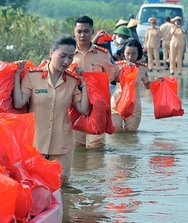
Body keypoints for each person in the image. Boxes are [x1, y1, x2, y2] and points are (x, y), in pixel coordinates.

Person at [12, 34, 91, 183]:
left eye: (70, 57)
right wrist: (17, 75)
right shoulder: (33, 77)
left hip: (62, 147)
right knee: (35, 188)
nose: (67, 61)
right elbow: (18, 103)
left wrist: (85, 82)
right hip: (35, 145)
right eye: (62, 56)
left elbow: (83, 109)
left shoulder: (73, 81)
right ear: (51, 53)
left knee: (62, 190)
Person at [71, 15, 120, 149]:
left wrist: (133, 73)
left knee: (96, 146)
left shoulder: (102, 54)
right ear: (74, 32)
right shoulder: (67, 54)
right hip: (74, 106)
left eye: (86, 31)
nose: (82, 35)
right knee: (76, 146)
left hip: (96, 107)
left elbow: (117, 75)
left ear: (92, 32)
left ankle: (96, 170)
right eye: (79, 31)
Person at [111, 39, 151, 132]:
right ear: (123, 53)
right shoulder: (117, 66)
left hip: (134, 106)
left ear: (138, 54)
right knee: (115, 130)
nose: (130, 56)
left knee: (131, 132)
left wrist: (159, 82)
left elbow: (147, 85)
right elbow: (109, 78)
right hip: (116, 103)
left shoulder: (142, 68)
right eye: (128, 53)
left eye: (134, 54)